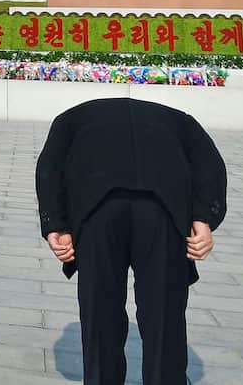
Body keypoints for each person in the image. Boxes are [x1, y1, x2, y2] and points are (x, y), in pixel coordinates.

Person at [35, 98, 227, 385]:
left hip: (97, 208)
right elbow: (210, 164)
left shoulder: (70, 119)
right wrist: (204, 217)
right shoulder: (180, 120)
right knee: (164, 313)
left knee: (100, 311)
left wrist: (56, 224)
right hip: (161, 209)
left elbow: (49, 168)